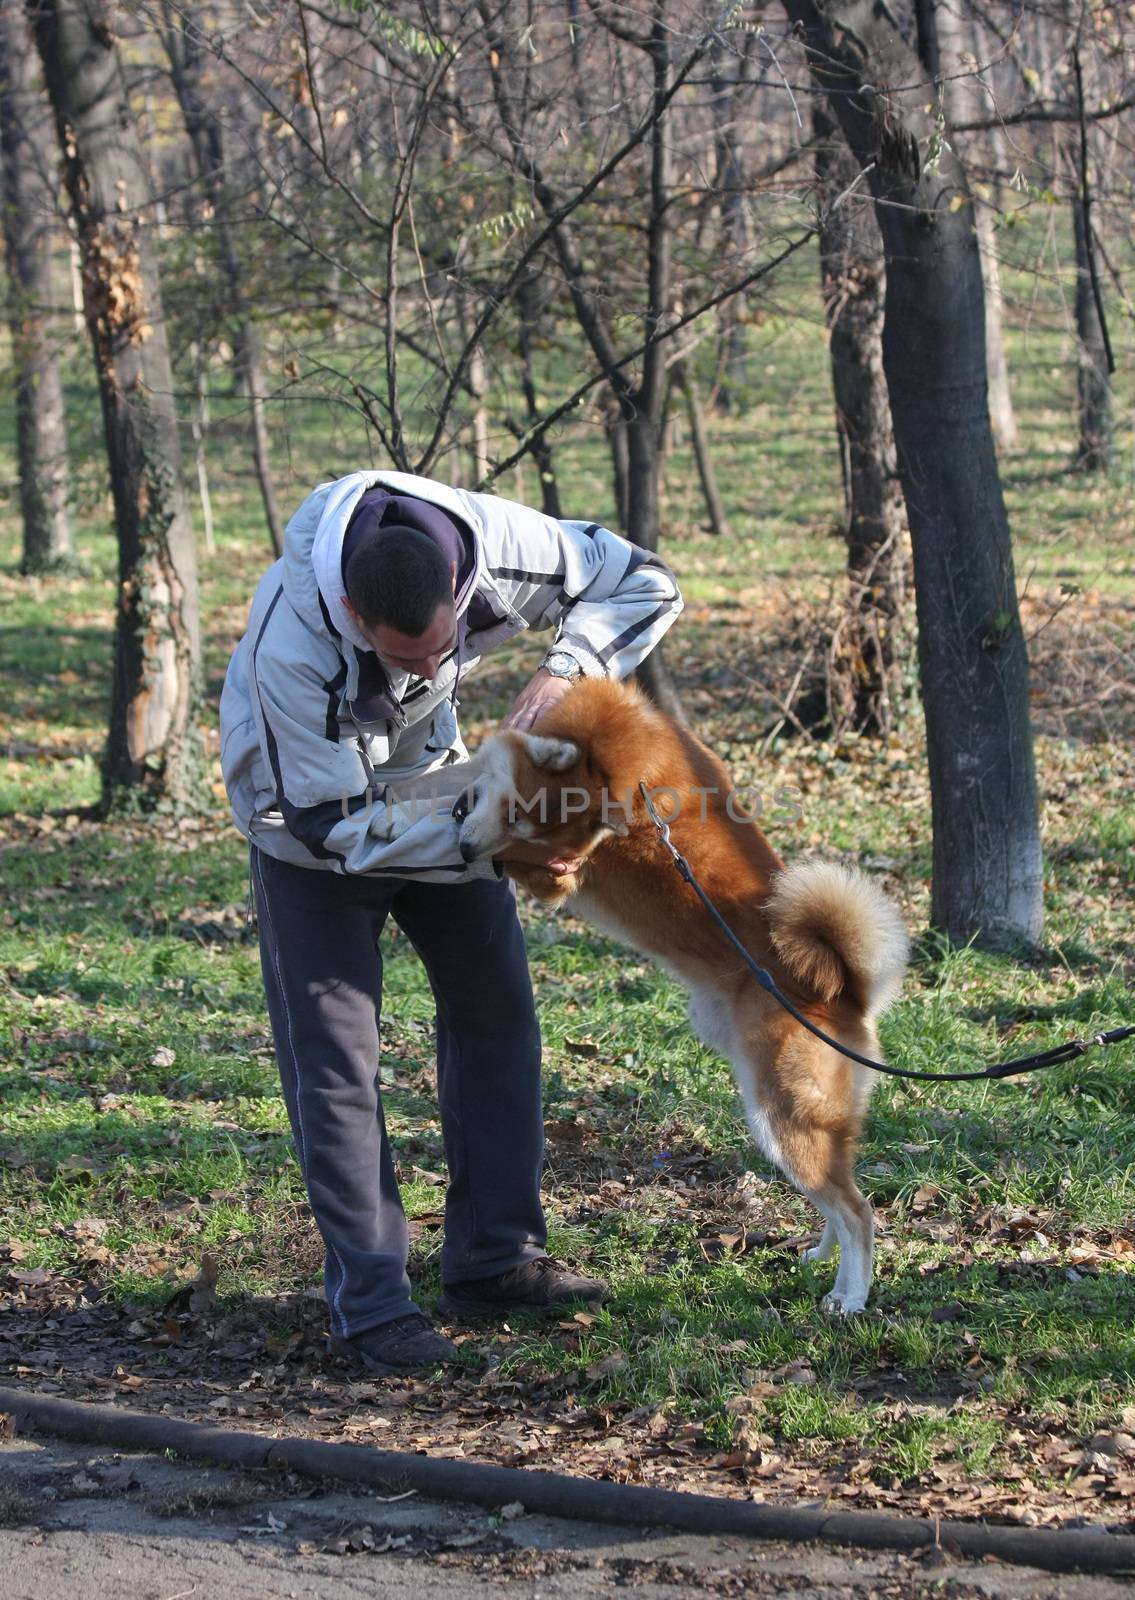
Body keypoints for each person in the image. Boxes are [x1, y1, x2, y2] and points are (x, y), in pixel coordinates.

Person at [219, 469, 682, 1375]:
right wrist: (499, 844)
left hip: (441, 779)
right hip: (308, 829)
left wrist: (564, 673)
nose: (432, 671)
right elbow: (331, 827)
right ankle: (373, 1309)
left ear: (461, 588)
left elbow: (646, 582)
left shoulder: (497, 542)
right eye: (407, 659)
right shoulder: (292, 644)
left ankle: (493, 1260)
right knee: (336, 1061)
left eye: (443, 652)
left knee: (496, 1016)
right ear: (352, 611)